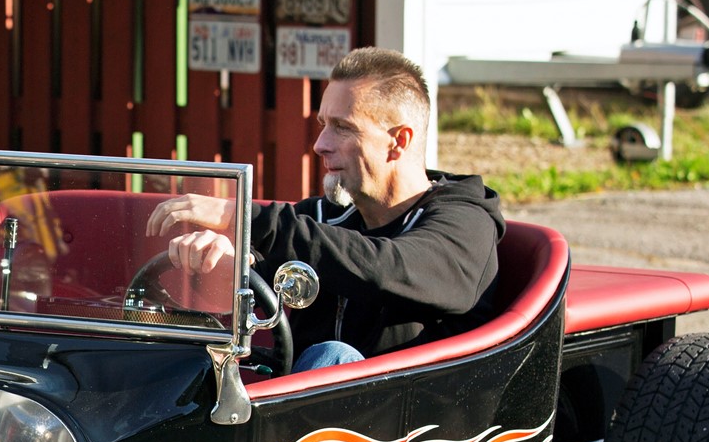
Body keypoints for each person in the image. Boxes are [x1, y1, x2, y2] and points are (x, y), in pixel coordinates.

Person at [146, 47, 505, 372]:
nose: (320, 145)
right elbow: (268, 263)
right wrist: (227, 259)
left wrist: (242, 217)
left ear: (399, 142)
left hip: (417, 426)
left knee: (334, 357)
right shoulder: (324, 216)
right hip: (310, 411)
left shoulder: (466, 220)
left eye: (342, 128)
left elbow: (387, 267)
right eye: (323, 125)